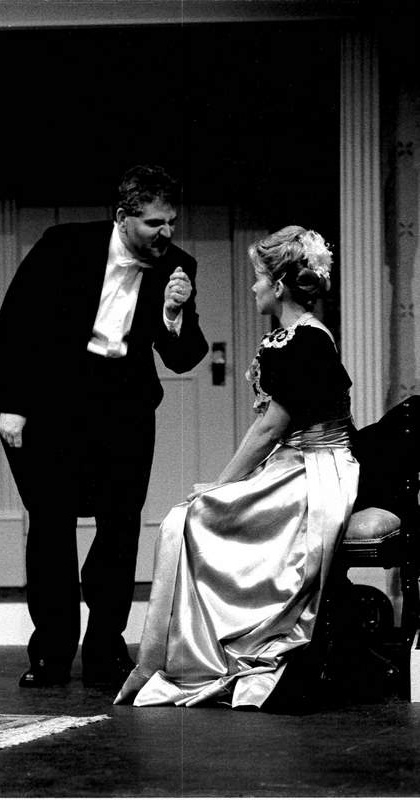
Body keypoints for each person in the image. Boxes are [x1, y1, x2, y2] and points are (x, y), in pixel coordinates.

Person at [115, 224, 359, 710]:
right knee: (187, 518)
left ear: (280, 286)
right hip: (295, 463)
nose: (253, 287)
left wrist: (222, 484)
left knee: (187, 517)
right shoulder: (294, 337)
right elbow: (273, 434)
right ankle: (186, 651)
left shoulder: (303, 342)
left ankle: (200, 655)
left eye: (259, 278)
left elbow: (270, 429)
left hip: (316, 473)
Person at [0, 164, 209, 688]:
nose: (166, 232)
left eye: (171, 222)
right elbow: (17, 323)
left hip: (124, 408)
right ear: (122, 217)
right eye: (154, 223)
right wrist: (14, 404)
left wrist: (174, 314)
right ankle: (50, 653)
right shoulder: (63, 246)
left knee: (120, 527)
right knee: (51, 526)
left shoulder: (177, 266)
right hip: (55, 403)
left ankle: (105, 650)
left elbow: (184, 357)